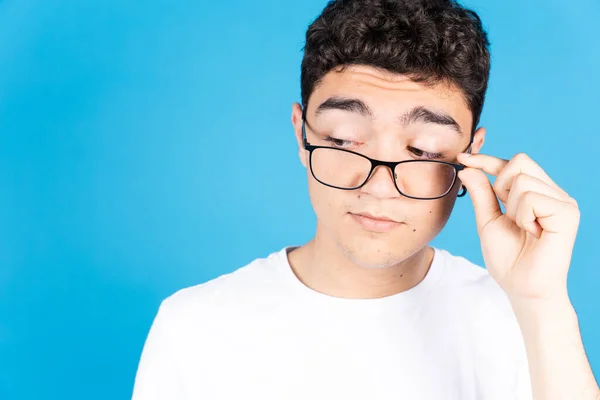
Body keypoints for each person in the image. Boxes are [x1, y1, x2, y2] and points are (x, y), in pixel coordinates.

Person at [132, 0, 599, 399]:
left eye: (423, 150)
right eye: (343, 140)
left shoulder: (521, 322)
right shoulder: (195, 327)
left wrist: (541, 302)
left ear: (469, 157)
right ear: (302, 133)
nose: (378, 186)